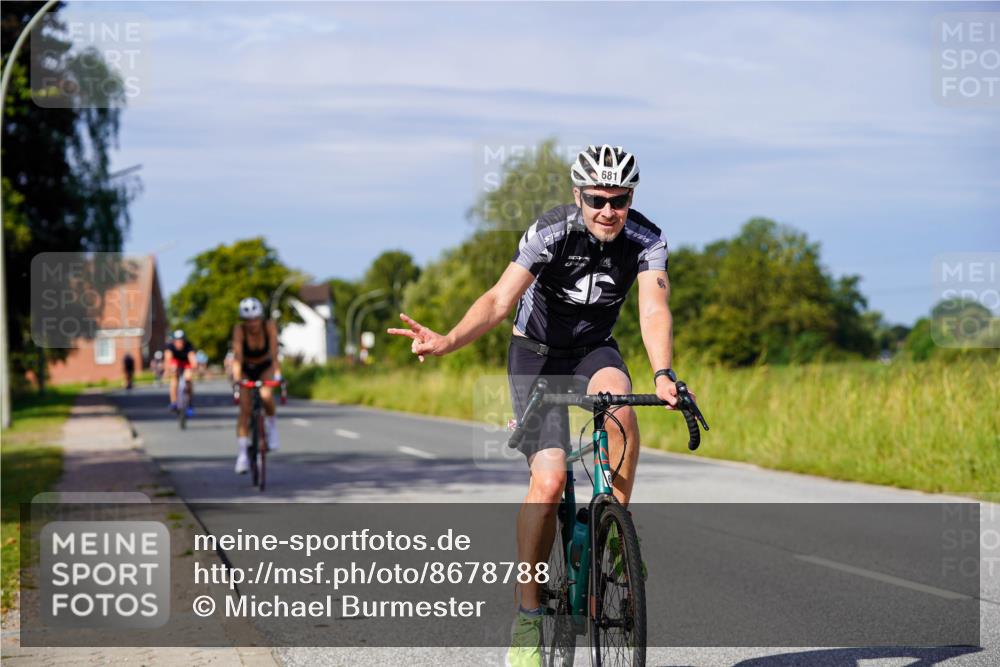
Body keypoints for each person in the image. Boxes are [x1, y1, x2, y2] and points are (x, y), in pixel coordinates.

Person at [389, 145, 691, 667]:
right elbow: (498, 301)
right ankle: (529, 616)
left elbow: (653, 307)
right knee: (549, 481)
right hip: (535, 354)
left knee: (621, 409)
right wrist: (448, 340)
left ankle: (614, 530)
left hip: (593, 350)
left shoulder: (648, 238)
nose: (608, 211)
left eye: (619, 200)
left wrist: (663, 373)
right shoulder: (551, 231)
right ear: (579, 195)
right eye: (597, 199)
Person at [231, 297, 281, 474]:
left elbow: (275, 352)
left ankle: (272, 426)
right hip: (246, 368)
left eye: (255, 319)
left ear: (261, 317)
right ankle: (243, 454)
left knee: (266, 396)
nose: (252, 324)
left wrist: (278, 374)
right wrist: (237, 378)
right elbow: (237, 356)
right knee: (245, 410)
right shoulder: (239, 330)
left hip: (265, 366)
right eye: (248, 320)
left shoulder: (269, 327)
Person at [164, 329, 198, 416]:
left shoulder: (188, 346)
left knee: (188, 378)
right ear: (174, 341)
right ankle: (174, 402)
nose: (180, 343)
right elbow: (168, 359)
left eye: (181, 341)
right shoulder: (170, 346)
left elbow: (192, 358)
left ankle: (189, 403)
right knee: (174, 377)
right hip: (176, 363)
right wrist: (168, 370)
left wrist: (194, 367)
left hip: (186, 363)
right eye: (177, 341)